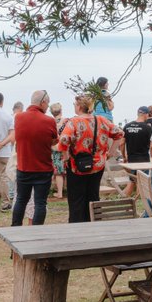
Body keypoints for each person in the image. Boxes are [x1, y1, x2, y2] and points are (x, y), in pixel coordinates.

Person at [59, 93, 123, 223]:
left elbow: (64, 140)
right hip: (98, 165)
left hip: (76, 166)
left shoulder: (73, 122)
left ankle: (77, 226)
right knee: (93, 197)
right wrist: (110, 152)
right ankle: (94, 223)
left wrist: (65, 157)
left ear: (78, 106)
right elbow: (120, 133)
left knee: (76, 199)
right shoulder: (102, 120)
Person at [12, 90, 57, 227]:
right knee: (40, 203)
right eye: (47, 104)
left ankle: (15, 229)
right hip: (43, 168)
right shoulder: (49, 121)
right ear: (43, 102)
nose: (47, 107)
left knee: (21, 200)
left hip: (24, 167)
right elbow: (54, 141)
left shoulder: (18, 118)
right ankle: (36, 232)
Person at [121, 106, 152, 196]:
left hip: (131, 159)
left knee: (132, 180)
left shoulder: (127, 126)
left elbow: (122, 143)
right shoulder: (147, 127)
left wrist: (124, 156)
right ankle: (143, 205)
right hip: (143, 159)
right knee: (141, 183)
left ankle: (125, 201)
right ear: (146, 114)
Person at [49, 102, 65, 199]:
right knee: (60, 170)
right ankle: (60, 192)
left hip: (54, 147)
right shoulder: (65, 121)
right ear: (61, 110)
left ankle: (59, 192)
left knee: (57, 170)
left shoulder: (50, 122)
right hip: (64, 147)